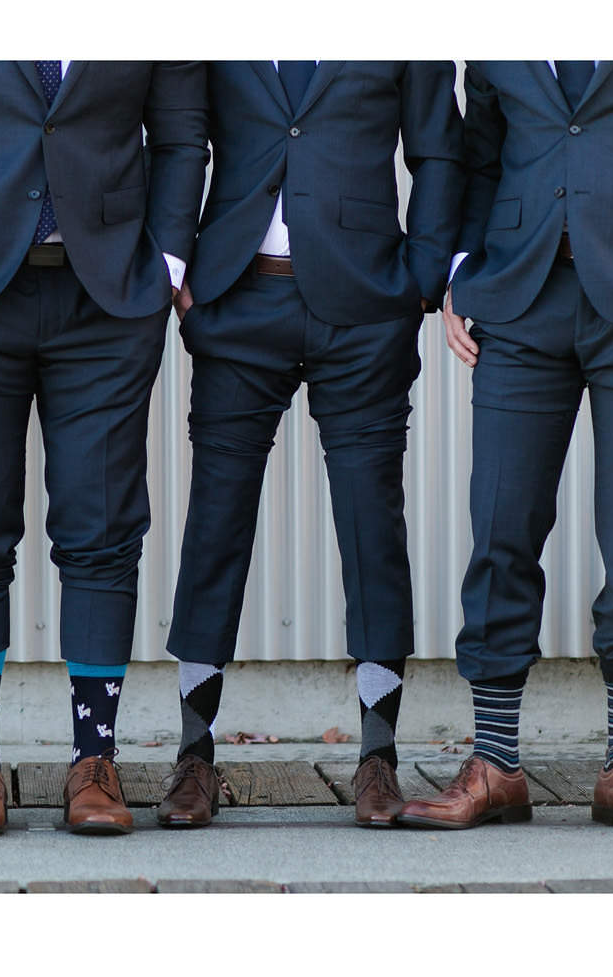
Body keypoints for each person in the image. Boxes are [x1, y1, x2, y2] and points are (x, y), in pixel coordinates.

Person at [398, 61, 613, 833]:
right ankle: (494, 763)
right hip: (520, 302)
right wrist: (458, 271)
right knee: (502, 526)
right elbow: (480, 156)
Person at [0, 61, 207, 835]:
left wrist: (167, 261)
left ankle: (95, 762)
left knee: (102, 528)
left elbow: (183, 132)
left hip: (107, 296)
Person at [159, 62, 464, 829]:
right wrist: (176, 266)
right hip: (237, 295)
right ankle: (195, 755)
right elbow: (176, 138)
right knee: (216, 522)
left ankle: (378, 757)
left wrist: (422, 275)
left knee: (371, 523)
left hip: (364, 307)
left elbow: (439, 151)